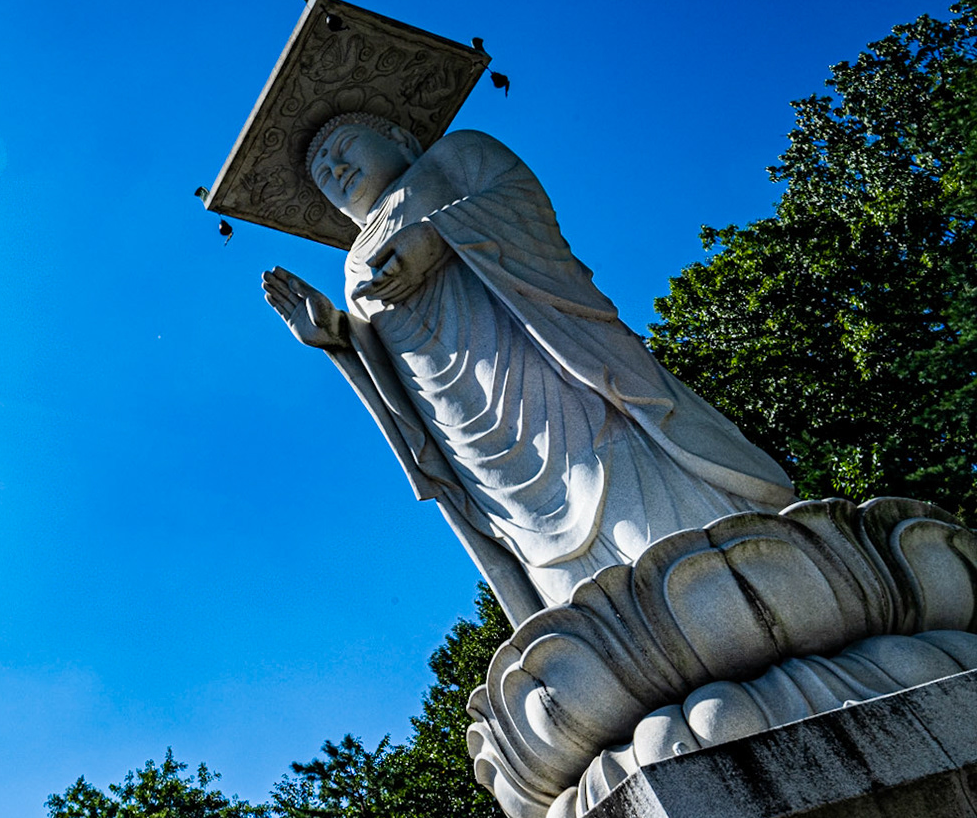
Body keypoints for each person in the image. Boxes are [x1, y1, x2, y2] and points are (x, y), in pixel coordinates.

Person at [262, 113, 795, 618]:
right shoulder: (354, 262)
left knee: (632, 488)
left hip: (550, 371)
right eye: (323, 175)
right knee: (561, 577)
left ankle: (745, 577)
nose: (336, 171)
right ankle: (601, 632)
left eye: (343, 148)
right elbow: (387, 362)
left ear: (400, 137)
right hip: (474, 437)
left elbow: (521, 200)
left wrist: (436, 237)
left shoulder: (454, 156)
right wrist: (337, 339)